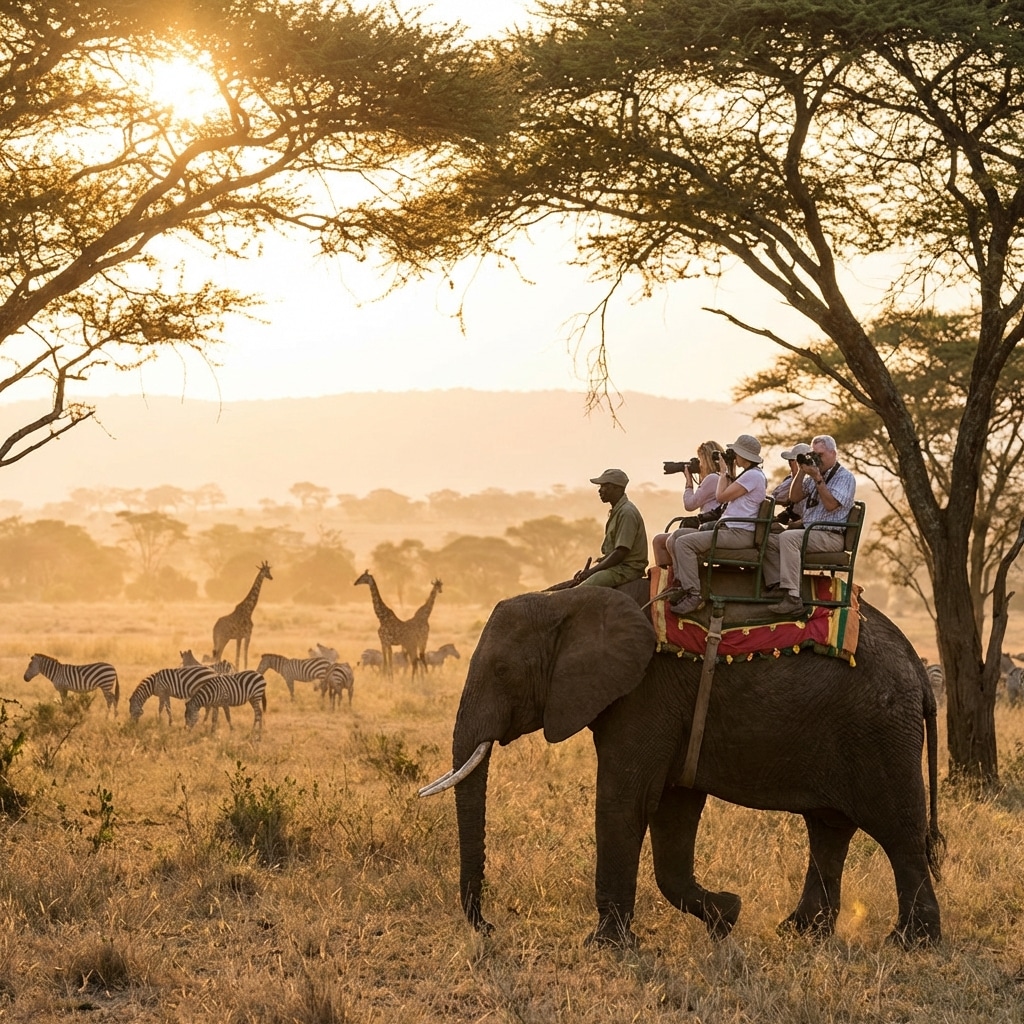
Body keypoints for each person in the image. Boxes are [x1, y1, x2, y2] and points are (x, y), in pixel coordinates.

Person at [667, 434, 768, 616]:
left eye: (735, 453)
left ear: (744, 455)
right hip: (732, 529)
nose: (733, 456)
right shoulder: (750, 474)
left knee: (684, 543)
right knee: (678, 536)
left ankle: (694, 594)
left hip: (738, 533)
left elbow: (721, 496)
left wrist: (722, 472)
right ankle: (682, 584)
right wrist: (728, 469)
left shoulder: (753, 476)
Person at [763, 434, 857, 617]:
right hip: (811, 532)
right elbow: (795, 497)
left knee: (788, 539)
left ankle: (793, 598)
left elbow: (830, 505)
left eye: (820, 455)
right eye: (814, 454)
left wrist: (817, 479)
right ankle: (777, 585)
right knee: (769, 540)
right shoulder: (815, 474)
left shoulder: (845, 477)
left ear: (833, 453)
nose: (817, 459)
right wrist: (800, 471)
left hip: (830, 536)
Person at [652, 440, 725, 569]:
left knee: (659, 541)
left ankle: (672, 579)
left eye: (700, 460)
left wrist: (689, 481)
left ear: (706, 459)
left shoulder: (712, 479)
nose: (698, 464)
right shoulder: (721, 477)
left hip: (707, 527)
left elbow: (689, 505)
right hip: (710, 525)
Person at [573, 468, 649, 588]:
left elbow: (621, 552)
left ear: (617, 488)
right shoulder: (617, 511)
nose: (600, 490)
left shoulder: (626, 512)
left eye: (605, 486)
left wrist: (592, 572)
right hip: (618, 567)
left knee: (581, 591)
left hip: (626, 570)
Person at [771, 442, 813, 529]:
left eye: (792, 460)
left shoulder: (810, 481)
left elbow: (782, 499)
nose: (789, 463)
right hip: (792, 521)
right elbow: (775, 497)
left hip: (803, 525)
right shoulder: (790, 479)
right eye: (789, 461)